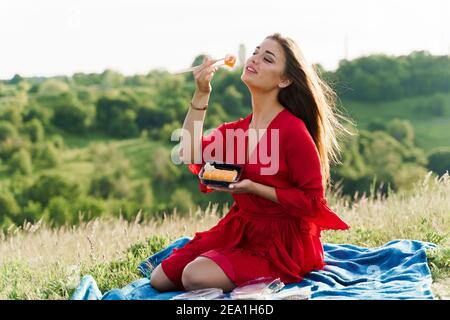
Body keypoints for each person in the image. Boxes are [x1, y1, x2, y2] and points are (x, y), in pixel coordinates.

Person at [150, 33, 352, 293]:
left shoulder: (293, 132)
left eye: (267, 58)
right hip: (241, 228)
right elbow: (189, 152)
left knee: (194, 276)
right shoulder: (238, 131)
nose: (255, 59)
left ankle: (263, 284)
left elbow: (313, 202)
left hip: (283, 243)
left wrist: (255, 188)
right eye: (255, 52)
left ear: (285, 79)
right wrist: (201, 93)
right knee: (160, 278)